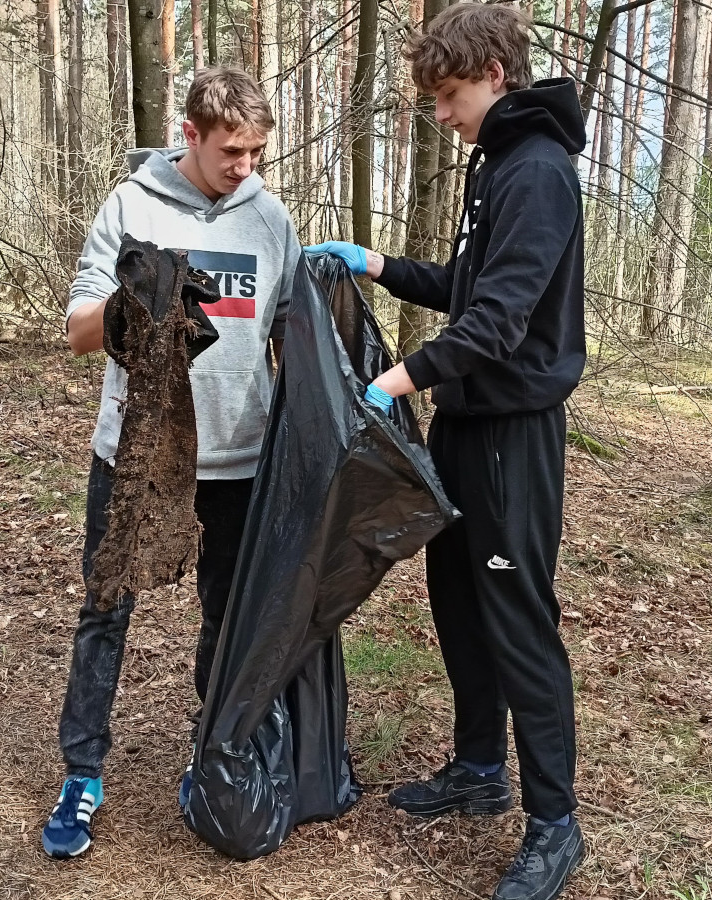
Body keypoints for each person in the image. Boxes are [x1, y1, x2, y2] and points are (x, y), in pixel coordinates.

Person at [306, 3, 586, 898]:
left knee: (516, 618)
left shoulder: (538, 171)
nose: (441, 114)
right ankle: (478, 770)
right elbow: (470, 289)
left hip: (513, 435)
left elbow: (500, 322)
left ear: (496, 74)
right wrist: (377, 264)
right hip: (467, 427)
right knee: (459, 600)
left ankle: (555, 823)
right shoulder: (497, 163)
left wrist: (391, 383)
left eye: (451, 95)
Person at [43, 66, 301, 859]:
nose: (246, 167)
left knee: (228, 621)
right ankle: (82, 776)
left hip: (239, 458)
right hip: (137, 458)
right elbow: (78, 330)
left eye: (258, 151)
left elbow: (291, 338)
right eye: (232, 150)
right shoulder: (132, 205)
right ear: (189, 134)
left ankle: (213, 757)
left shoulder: (270, 220)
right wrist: (130, 302)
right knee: (104, 611)